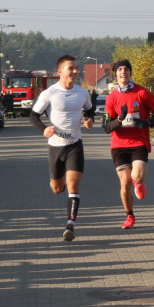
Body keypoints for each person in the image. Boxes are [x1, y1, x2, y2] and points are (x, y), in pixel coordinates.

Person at [29, 55, 94, 242]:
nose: (75, 71)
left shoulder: (82, 93)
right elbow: (33, 116)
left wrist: (90, 120)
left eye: (76, 68)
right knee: (57, 189)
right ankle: (61, 182)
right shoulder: (49, 93)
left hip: (75, 145)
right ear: (60, 72)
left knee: (73, 186)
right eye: (71, 68)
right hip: (56, 147)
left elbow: (89, 110)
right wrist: (44, 130)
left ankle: (70, 225)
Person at [103, 59, 154, 229]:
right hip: (119, 144)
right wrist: (120, 120)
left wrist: (147, 123)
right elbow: (107, 127)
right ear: (115, 74)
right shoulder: (111, 98)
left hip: (138, 141)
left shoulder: (142, 93)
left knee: (136, 176)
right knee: (124, 183)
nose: (123, 72)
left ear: (130, 73)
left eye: (126, 69)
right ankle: (129, 215)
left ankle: (139, 182)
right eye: (120, 70)